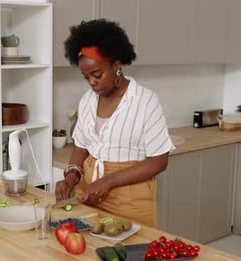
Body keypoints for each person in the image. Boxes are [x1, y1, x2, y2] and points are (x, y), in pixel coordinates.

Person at [55, 19, 174, 227]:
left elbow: (159, 161)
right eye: (86, 77)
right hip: (89, 193)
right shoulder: (88, 100)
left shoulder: (145, 101)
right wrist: (71, 176)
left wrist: (108, 181)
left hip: (130, 200)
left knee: (128, 254)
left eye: (97, 74)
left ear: (116, 66)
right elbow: (81, 147)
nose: (92, 82)